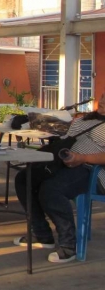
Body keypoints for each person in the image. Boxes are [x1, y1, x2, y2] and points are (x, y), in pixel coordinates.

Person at [13, 91, 105, 263]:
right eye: (103, 95)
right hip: (64, 163)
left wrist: (82, 158)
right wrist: (28, 120)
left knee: (52, 189)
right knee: (24, 179)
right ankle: (42, 234)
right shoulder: (87, 119)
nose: (102, 100)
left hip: (93, 171)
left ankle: (68, 245)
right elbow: (60, 130)